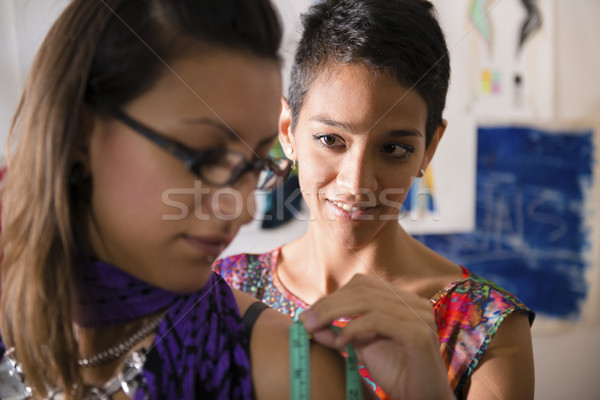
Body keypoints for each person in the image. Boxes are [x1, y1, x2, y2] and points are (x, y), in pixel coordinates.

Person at [0, 0, 400, 399]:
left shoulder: (297, 375)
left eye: (257, 164)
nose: (242, 210)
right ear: (79, 134)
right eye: (207, 156)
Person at [214, 0, 536, 399]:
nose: (356, 183)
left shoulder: (486, 326)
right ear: (287, 131)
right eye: (331, 140)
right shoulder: (219, 290)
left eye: (395, 149)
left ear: (429, 149)